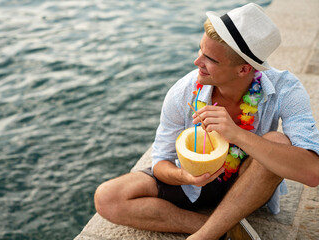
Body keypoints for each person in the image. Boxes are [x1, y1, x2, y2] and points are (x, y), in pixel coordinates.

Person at [94, 3, 319, 240]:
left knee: (277, 141)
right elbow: (161, 162)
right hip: (193, 182)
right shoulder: (183, 91)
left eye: (209, 59)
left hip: (246, 183)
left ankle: (203, 236)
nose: (196, 62)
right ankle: (222, 226)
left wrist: (237, 134)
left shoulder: (286, 89)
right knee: (108, 197)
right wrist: (186, 177)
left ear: (243, 70)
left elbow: (312, 172)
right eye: (201, 50)